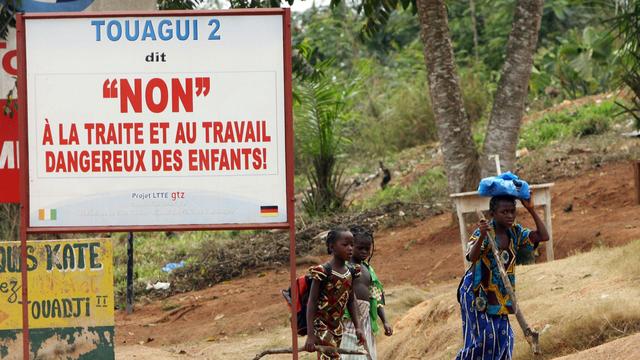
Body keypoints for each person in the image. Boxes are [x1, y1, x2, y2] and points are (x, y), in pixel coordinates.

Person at [456, 194, 549, 360]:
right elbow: (472, 256)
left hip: (500, 294)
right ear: (493, 214)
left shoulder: (516, 232)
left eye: (513, 211)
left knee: (504, 337)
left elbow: (543, 236)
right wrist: (483, 236)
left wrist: (531, 209)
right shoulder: (483, 231)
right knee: (484, 339)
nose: (510, 215)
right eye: (504, 212)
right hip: (477, 293)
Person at [304, 228, 366, 359]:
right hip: (321, 326)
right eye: (345, 245)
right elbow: (312, 302)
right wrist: (310, 335)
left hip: (337, 327)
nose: (350, 248)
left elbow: (351, 300)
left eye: (352, 244)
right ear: (332, 247)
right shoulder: (323, 271)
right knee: (333, 356)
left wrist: (358, 327)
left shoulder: (351, 271)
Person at [340, 226, 393, 359]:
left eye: (367, 249)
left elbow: (376, 297)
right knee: (349, 353)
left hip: (366, 320)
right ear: (352, 246)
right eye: (360, 248)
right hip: (348, 318)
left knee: (367, 354)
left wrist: (385, 321)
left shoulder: (369, 270)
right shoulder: (344, 268)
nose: (364, 252)